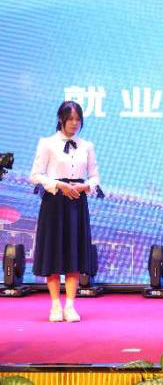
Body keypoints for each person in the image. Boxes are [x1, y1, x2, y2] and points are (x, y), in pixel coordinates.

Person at [30, 101, 100, 322]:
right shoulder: (47, 143)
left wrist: (85, 186)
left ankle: (70, 306)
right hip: (54, 202)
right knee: (53, 252)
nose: (74, 123)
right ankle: (54, 306)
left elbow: (95, 177)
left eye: (78, 119)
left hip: (77, 202)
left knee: (74, 253)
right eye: (70, 119)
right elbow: (35, 175)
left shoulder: (86, 146)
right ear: (61, 119)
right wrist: (59, 185)